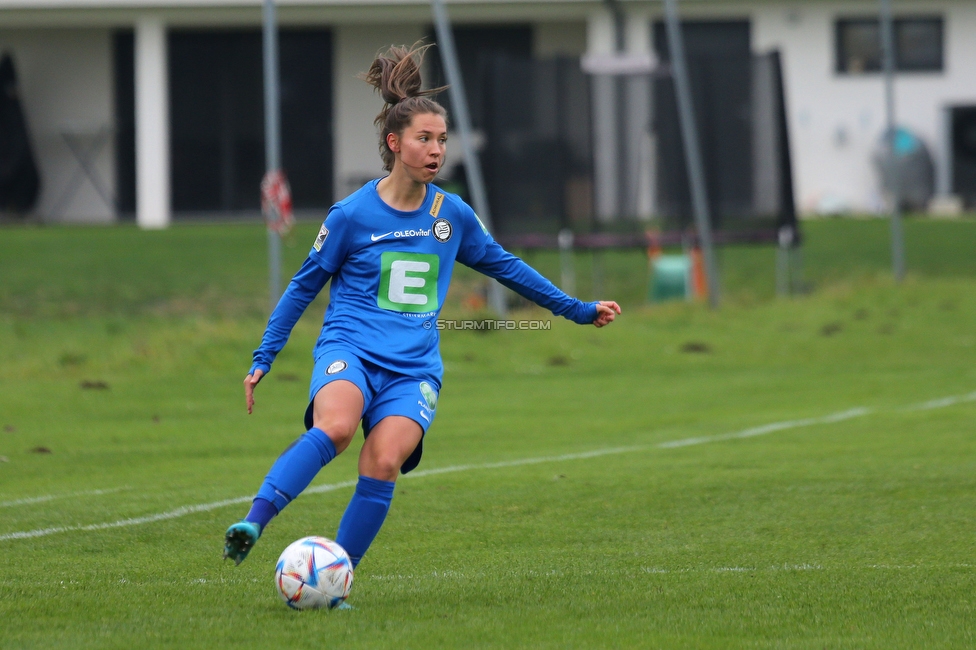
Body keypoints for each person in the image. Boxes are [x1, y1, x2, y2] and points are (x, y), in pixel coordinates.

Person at [223, 43, 620, 572]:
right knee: (337, 428)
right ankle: (255, 519)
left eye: (442, 140)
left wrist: (576, 308)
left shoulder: (450, 214)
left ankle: (337, 574)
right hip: (351, 348)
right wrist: (264, 356)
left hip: (414, 366)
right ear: (395, 143)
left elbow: (507, 266)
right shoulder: (351, 215)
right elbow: (302, 287)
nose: (436, 151)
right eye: (424, 139)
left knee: (383, 461)